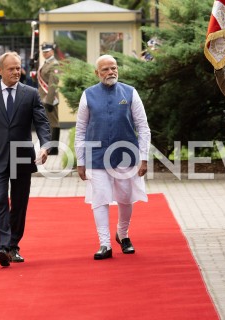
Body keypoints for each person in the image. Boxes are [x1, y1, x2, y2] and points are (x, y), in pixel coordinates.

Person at [0, 51, 51, 267]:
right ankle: (2, 247)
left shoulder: (30, 93)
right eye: (11, 68)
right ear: (0, 70)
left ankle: (13, 246)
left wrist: (45, 146)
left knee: (19, 203)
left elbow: (42, 123)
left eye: (18, 68)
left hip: (21, 155)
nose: (16, 71)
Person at [75, 54, 151, 260]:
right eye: (106, 69)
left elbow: (143, 126)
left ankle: (123, 235)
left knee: (126, 198)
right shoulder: (88, 95)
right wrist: (80, 161)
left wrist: (144, 157)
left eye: (113, 68)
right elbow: (80, 130)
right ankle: (105, 244)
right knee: (100, 198)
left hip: (126, 155)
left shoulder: (130, 92)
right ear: (97, 73)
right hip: (97, 156)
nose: (111, 72)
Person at [37, 43, 60, 155]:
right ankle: (49, 147)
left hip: (50, 98)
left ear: (52, 51)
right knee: (47, 123)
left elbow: (53, 84)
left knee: (53, 123)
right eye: (43, 51)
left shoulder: (54, 64)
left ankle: (54, 148)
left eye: (47, 51)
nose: (44, 53)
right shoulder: (45, 63)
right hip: (43, 97)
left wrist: (49, 101)